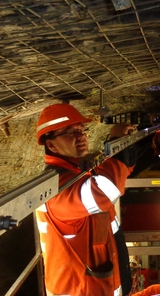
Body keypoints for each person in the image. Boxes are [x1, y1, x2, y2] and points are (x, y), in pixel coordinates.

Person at [35, 103, 136, 296]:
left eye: (81, 130)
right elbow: (105, 191)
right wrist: (116, 139)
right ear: (51, 145)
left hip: (93, 285)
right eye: (69, 132)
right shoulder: (56, 189)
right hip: (80, 289)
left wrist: (125, 151)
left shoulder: (74, 173)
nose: (80, 136)